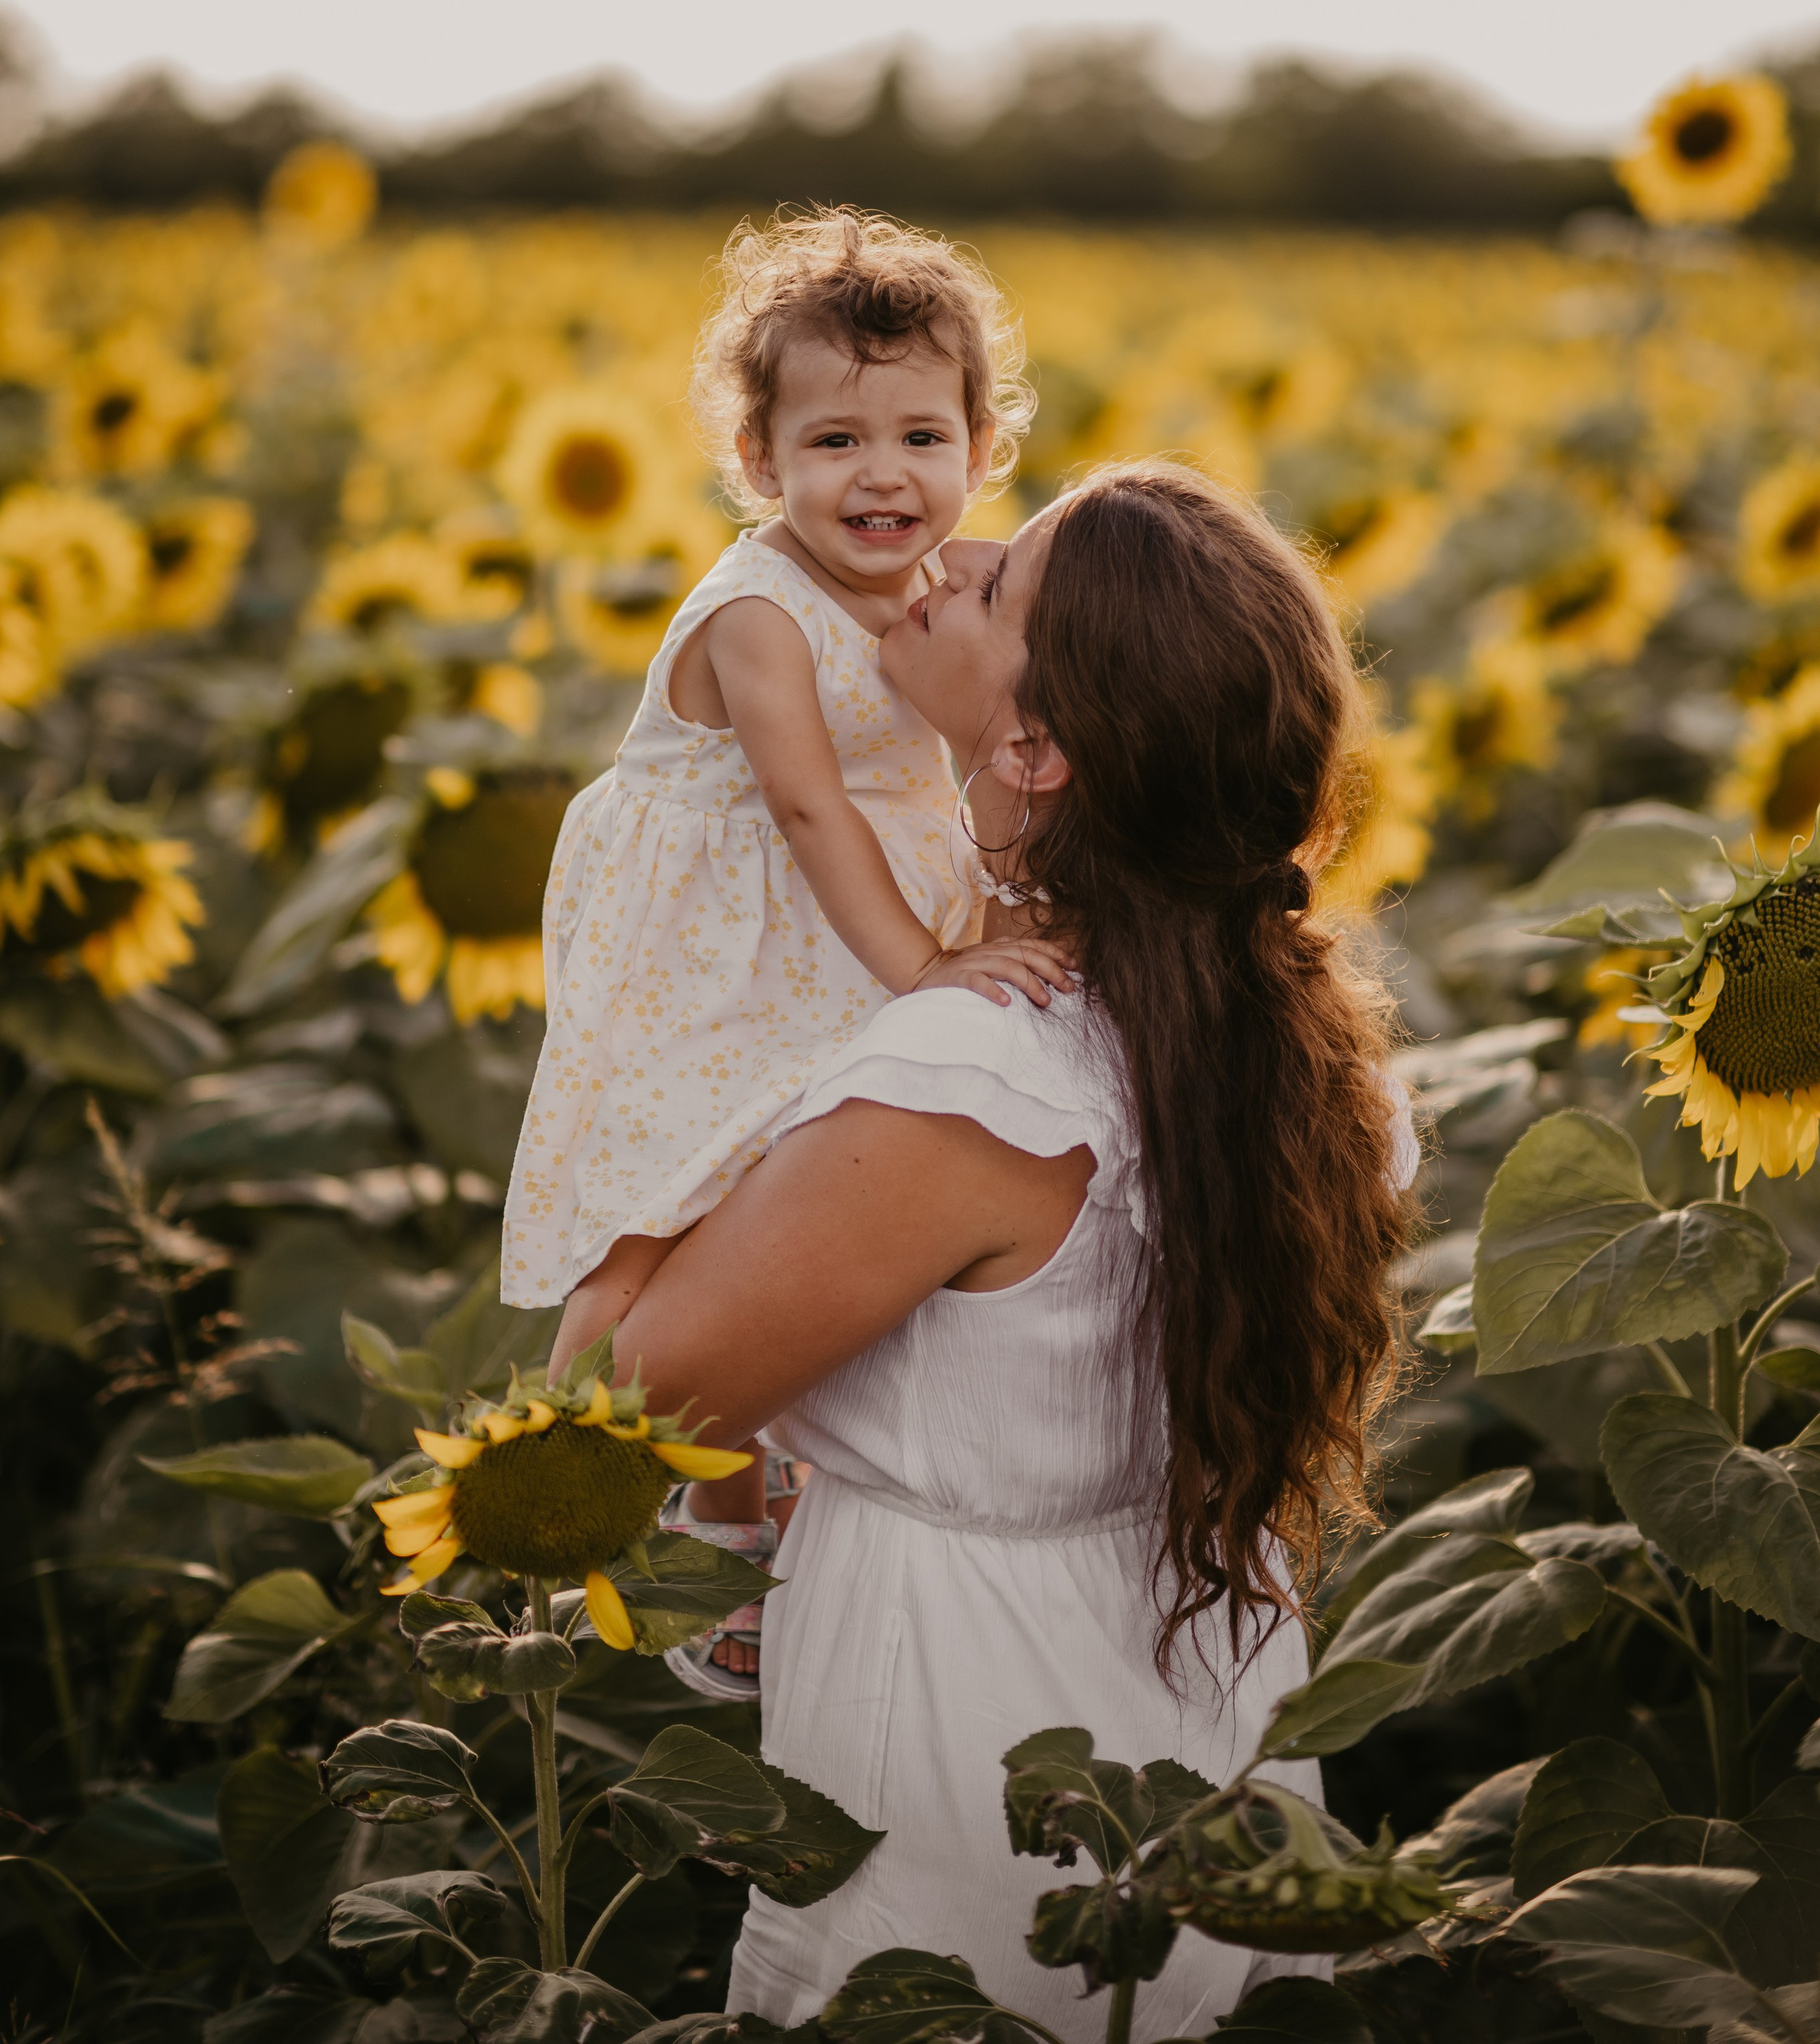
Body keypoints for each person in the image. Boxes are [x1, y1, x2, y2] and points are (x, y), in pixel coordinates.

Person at [547, 464, 1419, 2038]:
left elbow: (623, 1396)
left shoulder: (975, 1076)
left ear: (1034, 746)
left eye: (999, 580)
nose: (944, 562)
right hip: (1205, 1699)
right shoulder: (1304, 1043)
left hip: (967, 1744)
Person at [503, 208, 1072, 1593]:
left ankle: (755, 1522)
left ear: (981, 451)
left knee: (788, 1197)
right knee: (671, 1200)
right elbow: (809, 809)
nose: (883, 478)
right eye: (833, 444)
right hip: (712, 923)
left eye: (921, 440)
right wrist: (921, 974)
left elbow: (1006, 652)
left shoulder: (937, 573)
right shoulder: (758, 613)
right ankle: (567, 1469)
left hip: (831, 912)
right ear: (757, 462)